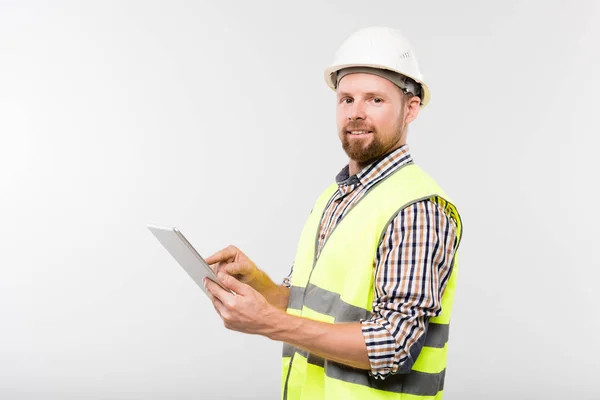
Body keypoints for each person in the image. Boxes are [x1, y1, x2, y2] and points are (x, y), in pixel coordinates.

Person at [203, 26, 463, 400]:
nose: (356, 113)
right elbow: (310, 309)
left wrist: (268, 324)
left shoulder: (417, 208)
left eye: (375, 100)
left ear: (411, 109)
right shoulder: (335, 196)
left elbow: (393, 345)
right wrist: (257, 283)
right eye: (346, 99)